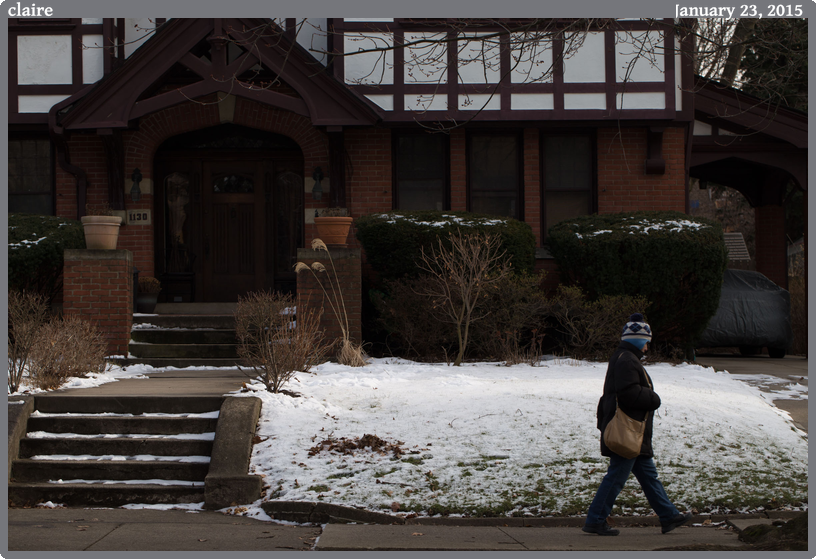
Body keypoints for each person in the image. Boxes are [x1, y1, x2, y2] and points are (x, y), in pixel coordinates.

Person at [582, 313, 692, 536]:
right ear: (638, 340)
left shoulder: (625, 357)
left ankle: (668, 515)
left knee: (648, 476)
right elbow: (629, 393)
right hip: (627, 431)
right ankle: (595, 520)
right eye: (646, 342)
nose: (647, 347)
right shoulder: (627, 360)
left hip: (633, 431)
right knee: (616, 477)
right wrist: (654, 398)